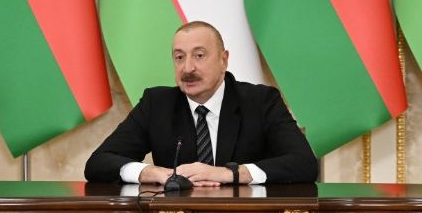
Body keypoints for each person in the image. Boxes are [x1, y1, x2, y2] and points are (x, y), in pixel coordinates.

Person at [85, 21, 318, 185]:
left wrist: (230, 174)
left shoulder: (260, 101)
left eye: (199, 55)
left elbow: (304, 164)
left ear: (223, 60)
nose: (188, 68)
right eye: (179, 57)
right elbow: (98, 163)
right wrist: (153, 173)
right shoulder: (157, 104)